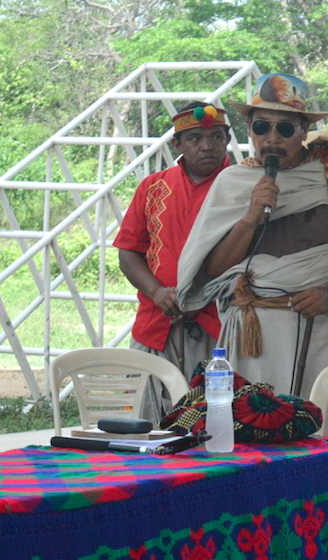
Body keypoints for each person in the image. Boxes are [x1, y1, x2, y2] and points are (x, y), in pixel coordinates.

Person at [176, 73, 328, 429]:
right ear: (249, 129)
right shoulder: (233, 183)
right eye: (262, 126)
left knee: (326, 435)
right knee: (253, 436)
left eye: (285, 129)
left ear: (303, 131)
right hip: (253, 335)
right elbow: (214, 270)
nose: (272, 138)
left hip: (324, 329)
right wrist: (249, 218)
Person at [116, 102, 227, 420]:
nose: (207, 146)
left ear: (227, 140)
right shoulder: (152, 188)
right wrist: (156, 291)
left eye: (216, 137)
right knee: (145, 425)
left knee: (215, 428)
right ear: (176, 145)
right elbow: (128, 252)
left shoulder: (242, 186)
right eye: (194, 139)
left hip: (219, 329)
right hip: (156, 323)